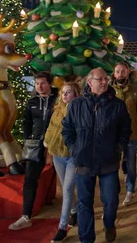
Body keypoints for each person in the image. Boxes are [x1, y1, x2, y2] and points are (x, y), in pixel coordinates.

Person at [62, 68, 132, 243]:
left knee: (110, 201)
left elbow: (125, 130)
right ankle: (87, 239)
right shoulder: (76, 105)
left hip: (108, 161)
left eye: (105, 79)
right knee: (84, 203)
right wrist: (74, 149)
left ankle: (109, 224)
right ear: (89, 82)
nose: (104, 82)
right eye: (99, 79)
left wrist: (118, 147)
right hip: (83, 161)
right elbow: (67, 129)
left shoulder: (117, 105)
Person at [9, 71, 57, 231]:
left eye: (43, 83)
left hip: (55, 143)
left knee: (66, 179)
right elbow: (27, 122)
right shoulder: (32, 102)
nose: (39, 86)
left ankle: (71, 211)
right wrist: (27, 139)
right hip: (35, 145)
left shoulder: (58, 100)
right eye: (37, 83)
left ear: (49, 83)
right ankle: (26, 216)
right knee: (30, 179)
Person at [44, 81, 81, 242]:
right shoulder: (57, 110)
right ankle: (74, 210)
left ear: (75, 94)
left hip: (72, 156)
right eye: (63, 92)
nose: (65, 95)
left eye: (68, 92)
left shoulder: (79, 110)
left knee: (66, 189)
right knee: (66, 188)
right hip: (57, 154)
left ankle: (62, 227)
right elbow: (51, 128)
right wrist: (47, 144)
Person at [112, 61, 137, 206]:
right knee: (113, 164)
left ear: (128, 72)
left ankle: (130, 190)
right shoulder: (110, 90)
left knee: (131, 163)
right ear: (114, 73)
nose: (120, 74)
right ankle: (114, 191)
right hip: (113, 135)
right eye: (117, 71)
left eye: (122, 71)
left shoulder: (135, 90)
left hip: (131, 133)